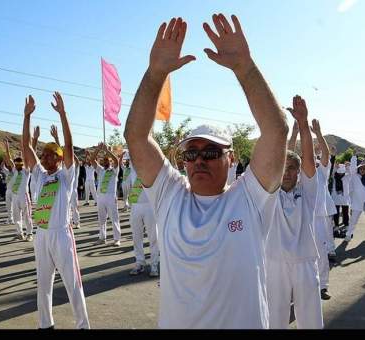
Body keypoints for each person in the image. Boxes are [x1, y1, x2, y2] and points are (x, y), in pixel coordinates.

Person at [124, 14, 288, 328]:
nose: (199, 160)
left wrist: (245, 68)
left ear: (232, 158)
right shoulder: (168, 194)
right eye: (191, 153)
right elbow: (136, 136)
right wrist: (155, 73)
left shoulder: (251, 198)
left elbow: (276, 131)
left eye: (211, 152)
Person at [23, 93, 89, 329]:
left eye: (51, 154)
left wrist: (63, 114)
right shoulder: (40, 175)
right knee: (43, 284)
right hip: (41, 235)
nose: (45, 157)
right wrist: (26, 117)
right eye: (44, 154)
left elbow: (69, 146)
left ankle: (82, 325)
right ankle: (45, 324)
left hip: (61, 235)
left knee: (73, 283)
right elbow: (26, 147)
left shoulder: (66, 176)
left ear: (60, 158)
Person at [265, 98, 322, 329]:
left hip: (305, 263)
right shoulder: (269, 192)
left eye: (292, 168)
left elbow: (309, 160)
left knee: (311, 321)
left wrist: (304, 124)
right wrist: (289, 134)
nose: (286, 173)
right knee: (274, 320)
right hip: (274, 263)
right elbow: (276, 156)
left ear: (298, 172)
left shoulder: (307, 192)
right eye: (283, 167)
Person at [309, 119, 333, 300]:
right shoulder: (302, 172)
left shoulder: (322, 172)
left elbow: (326, 154)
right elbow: (290, 154)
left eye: (317, 161)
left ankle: (323, 286)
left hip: (319, 218)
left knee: (321, 252)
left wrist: (318, 133)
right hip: (302, 217)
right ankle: (303, 286)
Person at [128, 171, 160, 277]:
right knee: (136, 236)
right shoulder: (133, 167)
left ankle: (154, 265)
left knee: (153, 237)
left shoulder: (150, 166)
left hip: (149, 205)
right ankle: (139, 263)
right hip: (135, 205)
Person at [89, 143, 121, 246]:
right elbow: (92, 160)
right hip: (101, 197)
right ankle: (102, 238)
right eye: (104, 160)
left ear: (110, 161)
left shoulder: (114, 170)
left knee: (114, 218)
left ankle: (117, 239)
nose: (106, 162)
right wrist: (98, 149)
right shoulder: (101, 170)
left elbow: (116, 160)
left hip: (111, 197)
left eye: (108, 160)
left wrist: (107, 151)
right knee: (101, 219)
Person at [3, 140, 34, 242]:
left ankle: (29, 234)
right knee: (17, 217)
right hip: (15, 196)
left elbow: (28, 158)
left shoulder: (26, 171)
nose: (17, 166)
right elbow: (9, 159)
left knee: (27, 216)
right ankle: (19, 233)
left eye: (19, 164)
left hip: (24, 197)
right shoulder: (15, 170)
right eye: (16, 165)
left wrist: (25, 148)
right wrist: (7, 148)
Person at [331, 160, 351, 231]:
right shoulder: (334, 176)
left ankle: (346, 225)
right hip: (336, 197)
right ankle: (336, 225)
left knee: (345, 213)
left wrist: (348, 166)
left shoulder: (347, 177)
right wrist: (335, 167)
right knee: (336, 213)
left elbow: (351, 172)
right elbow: (332, 172)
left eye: (342, 173)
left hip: (344, 198)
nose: (340, 174)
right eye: (339, 172)